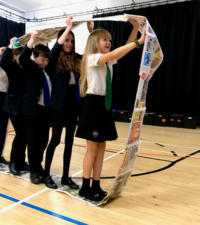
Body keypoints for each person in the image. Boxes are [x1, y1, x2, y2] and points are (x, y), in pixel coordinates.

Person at [76, 19, 146, 201]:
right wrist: (139, 41)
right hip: (93, 106)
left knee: (101, 149)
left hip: (104, 107)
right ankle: (85, 187)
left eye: (109, 40)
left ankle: (96, 186)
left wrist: (136, 29)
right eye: (104, 40)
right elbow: (117, 51)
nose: (108, 42)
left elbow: (122, 49)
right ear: (94, 43)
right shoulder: (92, 59)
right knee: (92, 150)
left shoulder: (107, 62)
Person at [42, 17, 93, 189]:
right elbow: (55, 48)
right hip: (58, 106)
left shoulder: (77, 60)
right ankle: (46, 174)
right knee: (55, 140)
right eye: (66, 40)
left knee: (70, 142)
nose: (69, 43)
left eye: (72, 41)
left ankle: (65, 177)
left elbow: (91, 55)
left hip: (72, 106)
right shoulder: (53, 60)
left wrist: (91, 32)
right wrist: (68, 28)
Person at [19, 30, 53, 184]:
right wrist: (32, 39)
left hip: (45, 110)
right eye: (42, 59)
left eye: (47, 60)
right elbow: (23, 58)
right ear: (35, 57)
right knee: (33, 141)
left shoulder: (47, 72)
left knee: (43, 140)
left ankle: (37, 165)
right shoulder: (31, 67)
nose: (45, 62)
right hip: (32, 110)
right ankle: (34, 170)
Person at [0, 38, 29, 175]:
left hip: (24, 107)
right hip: (13, 106)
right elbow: (3, 61)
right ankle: (13, 163)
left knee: (24, 135)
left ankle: (21, 162)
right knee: (20, 135)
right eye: (21, 55)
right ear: (15, 56)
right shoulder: (12, 67)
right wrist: (10, 46)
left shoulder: (26, 68)